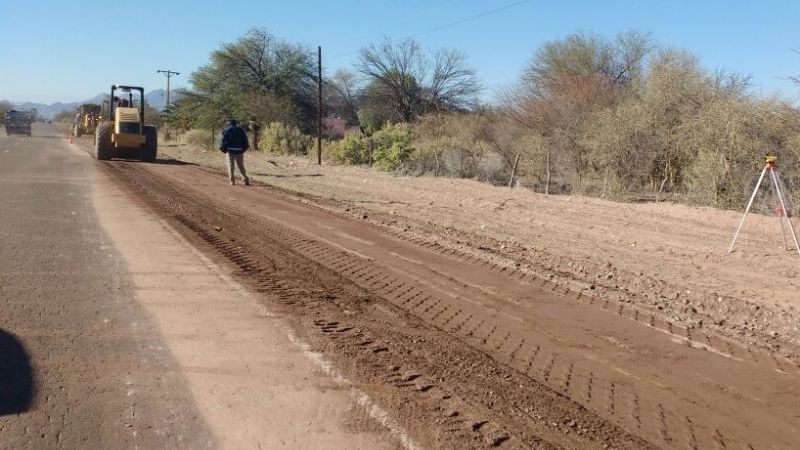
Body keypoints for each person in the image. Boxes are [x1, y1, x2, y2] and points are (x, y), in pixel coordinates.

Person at [219, 119, 250, 186]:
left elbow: (222, 140)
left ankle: (232, 181)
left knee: (230, 166)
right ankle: (245, 179)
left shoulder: (226, 129)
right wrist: (243, 149)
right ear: (235, 123)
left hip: (230, 151)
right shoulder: (240, 129)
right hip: (239, 150)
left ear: (229, 123)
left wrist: (223, 149)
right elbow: (245, 140)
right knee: (241, 166)